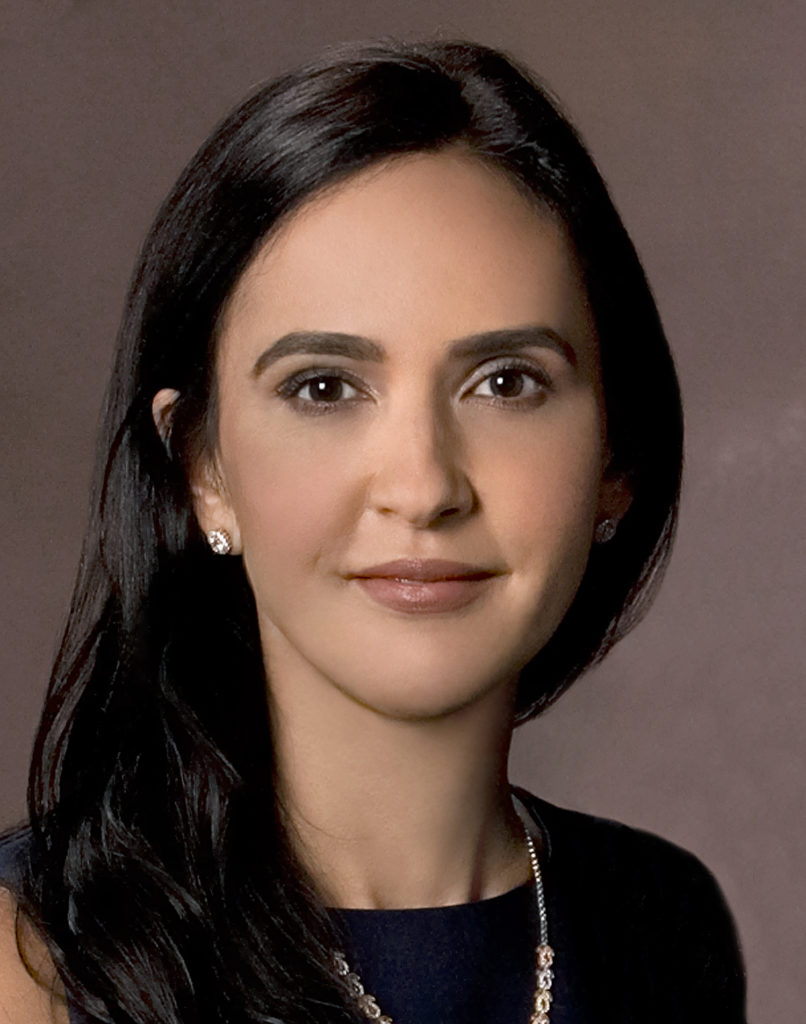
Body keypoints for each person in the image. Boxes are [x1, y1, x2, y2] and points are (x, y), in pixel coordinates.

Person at [0, 39, 745, 1024]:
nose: (423, 486)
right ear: (202, 472)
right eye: (324, 387)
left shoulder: (661, 922)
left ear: (615, 456)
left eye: (504, 382)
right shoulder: (35, 957)